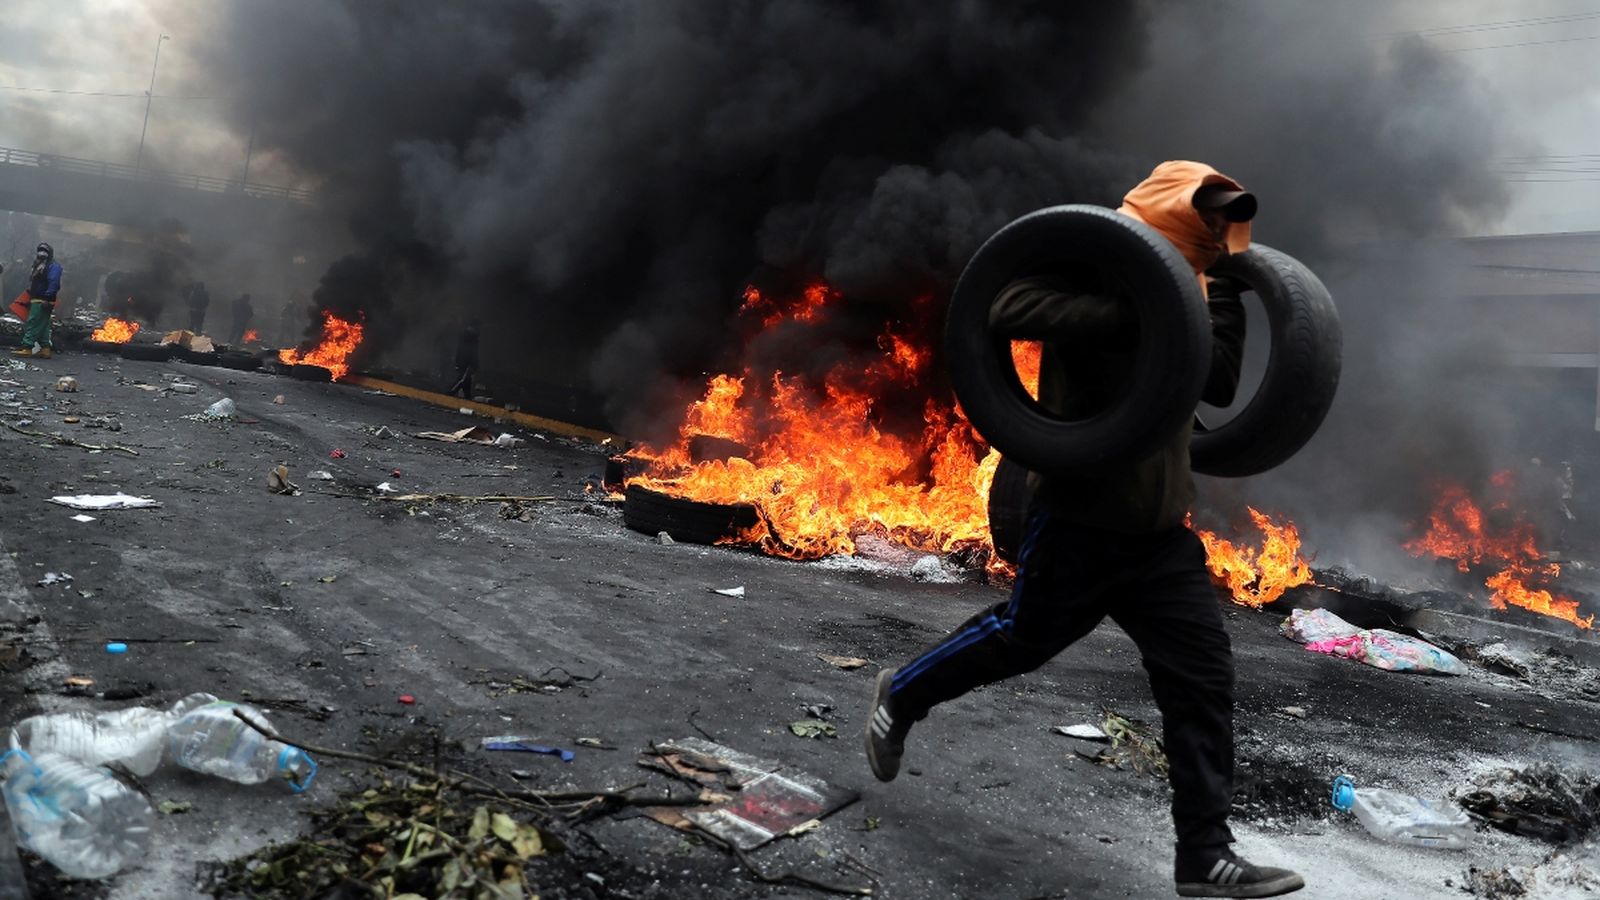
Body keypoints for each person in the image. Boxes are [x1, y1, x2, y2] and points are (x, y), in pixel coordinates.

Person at [866, 161, 1304, 898]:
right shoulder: (1098, 255)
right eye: (1210, 215)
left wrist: (1217, 287)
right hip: (1080, 515)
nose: (1220, 228)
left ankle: (1205, 857)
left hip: (1161, 534)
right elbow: (1008, 306)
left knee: (1202, 681)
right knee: (1020, 639)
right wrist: (1137, 308)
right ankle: (900, 696)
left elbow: (1221, 381)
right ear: (1172, 207)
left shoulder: (1200, 285)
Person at [14, 243, 62, 359]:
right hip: (37, 298)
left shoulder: (53, 266)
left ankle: (27, 347)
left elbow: (54, 283)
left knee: (33, 322)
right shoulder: (39, 266)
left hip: (43, 299)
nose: (41, 253)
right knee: (43, 325)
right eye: (40, 250)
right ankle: (45, 348)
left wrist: (48, 298)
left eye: (44, 251)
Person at [450, 320, 480, 398]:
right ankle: (449, 394)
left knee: (466, 380)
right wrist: (473, 364)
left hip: (464, 362)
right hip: (466, 363)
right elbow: (471, 352)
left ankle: (467, 396)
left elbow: (460, 349)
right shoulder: (471, 336)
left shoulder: (466, 335)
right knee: (462, 380)